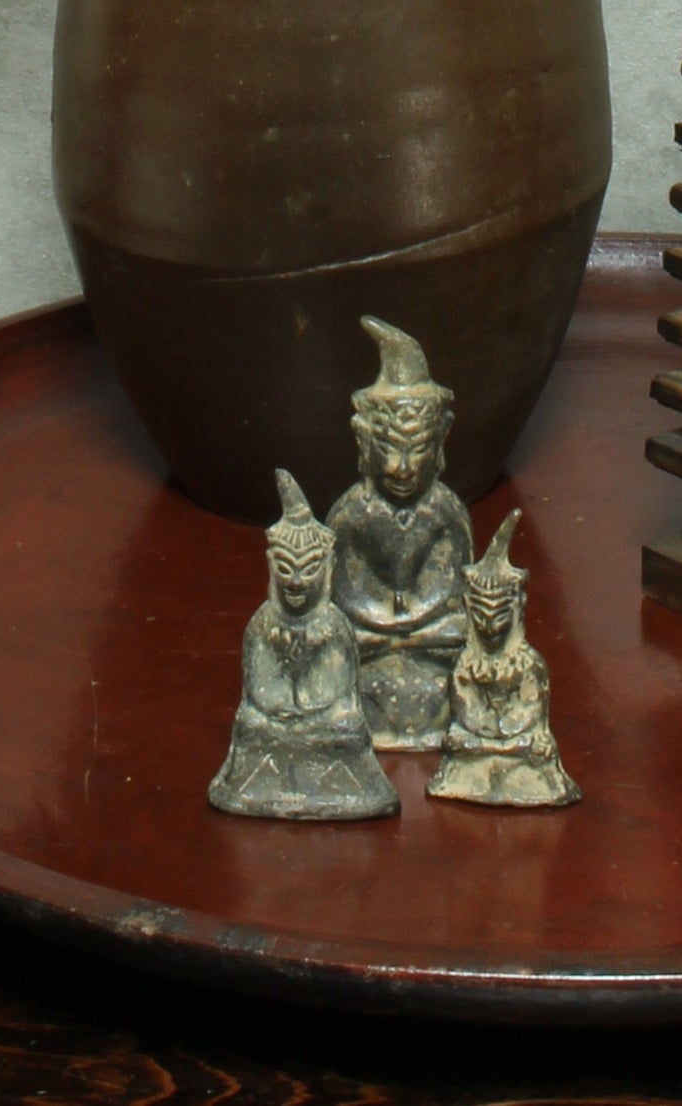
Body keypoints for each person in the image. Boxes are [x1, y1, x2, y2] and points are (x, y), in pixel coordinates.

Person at [208, 469, 398, 821]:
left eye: (308, 569)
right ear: (271, 567)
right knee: (249, 725)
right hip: (276, 722)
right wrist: (284, 712)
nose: (296, 581)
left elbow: (340, 698)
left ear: (327, 569)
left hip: (324, 724)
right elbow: (258, 693)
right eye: (286, 568)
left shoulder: (335, 627)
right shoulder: (262, 625)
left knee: (350, 730)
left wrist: (310, 712)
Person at [327, 317, 474, 750]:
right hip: (367, 654)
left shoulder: (447, 515)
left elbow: (456, 606)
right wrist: (382, 632)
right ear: (363, 441)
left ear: (441, 441)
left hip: (431, 651)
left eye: (417, 449)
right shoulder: (351, 516)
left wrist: (416, 631)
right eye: (390, 448)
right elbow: (337, 608)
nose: (402, 469)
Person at [428, 509, 580, 809]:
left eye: (498, 615)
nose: (489, 627)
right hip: (481, 745)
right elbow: (466, 717)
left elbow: (531, 717)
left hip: (516, 746)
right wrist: (492, 736)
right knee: (458, 743)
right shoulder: (464, 665)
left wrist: (509, 738)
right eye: (481, 615)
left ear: (516, 609)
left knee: (540, 751)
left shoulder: (528, 665)